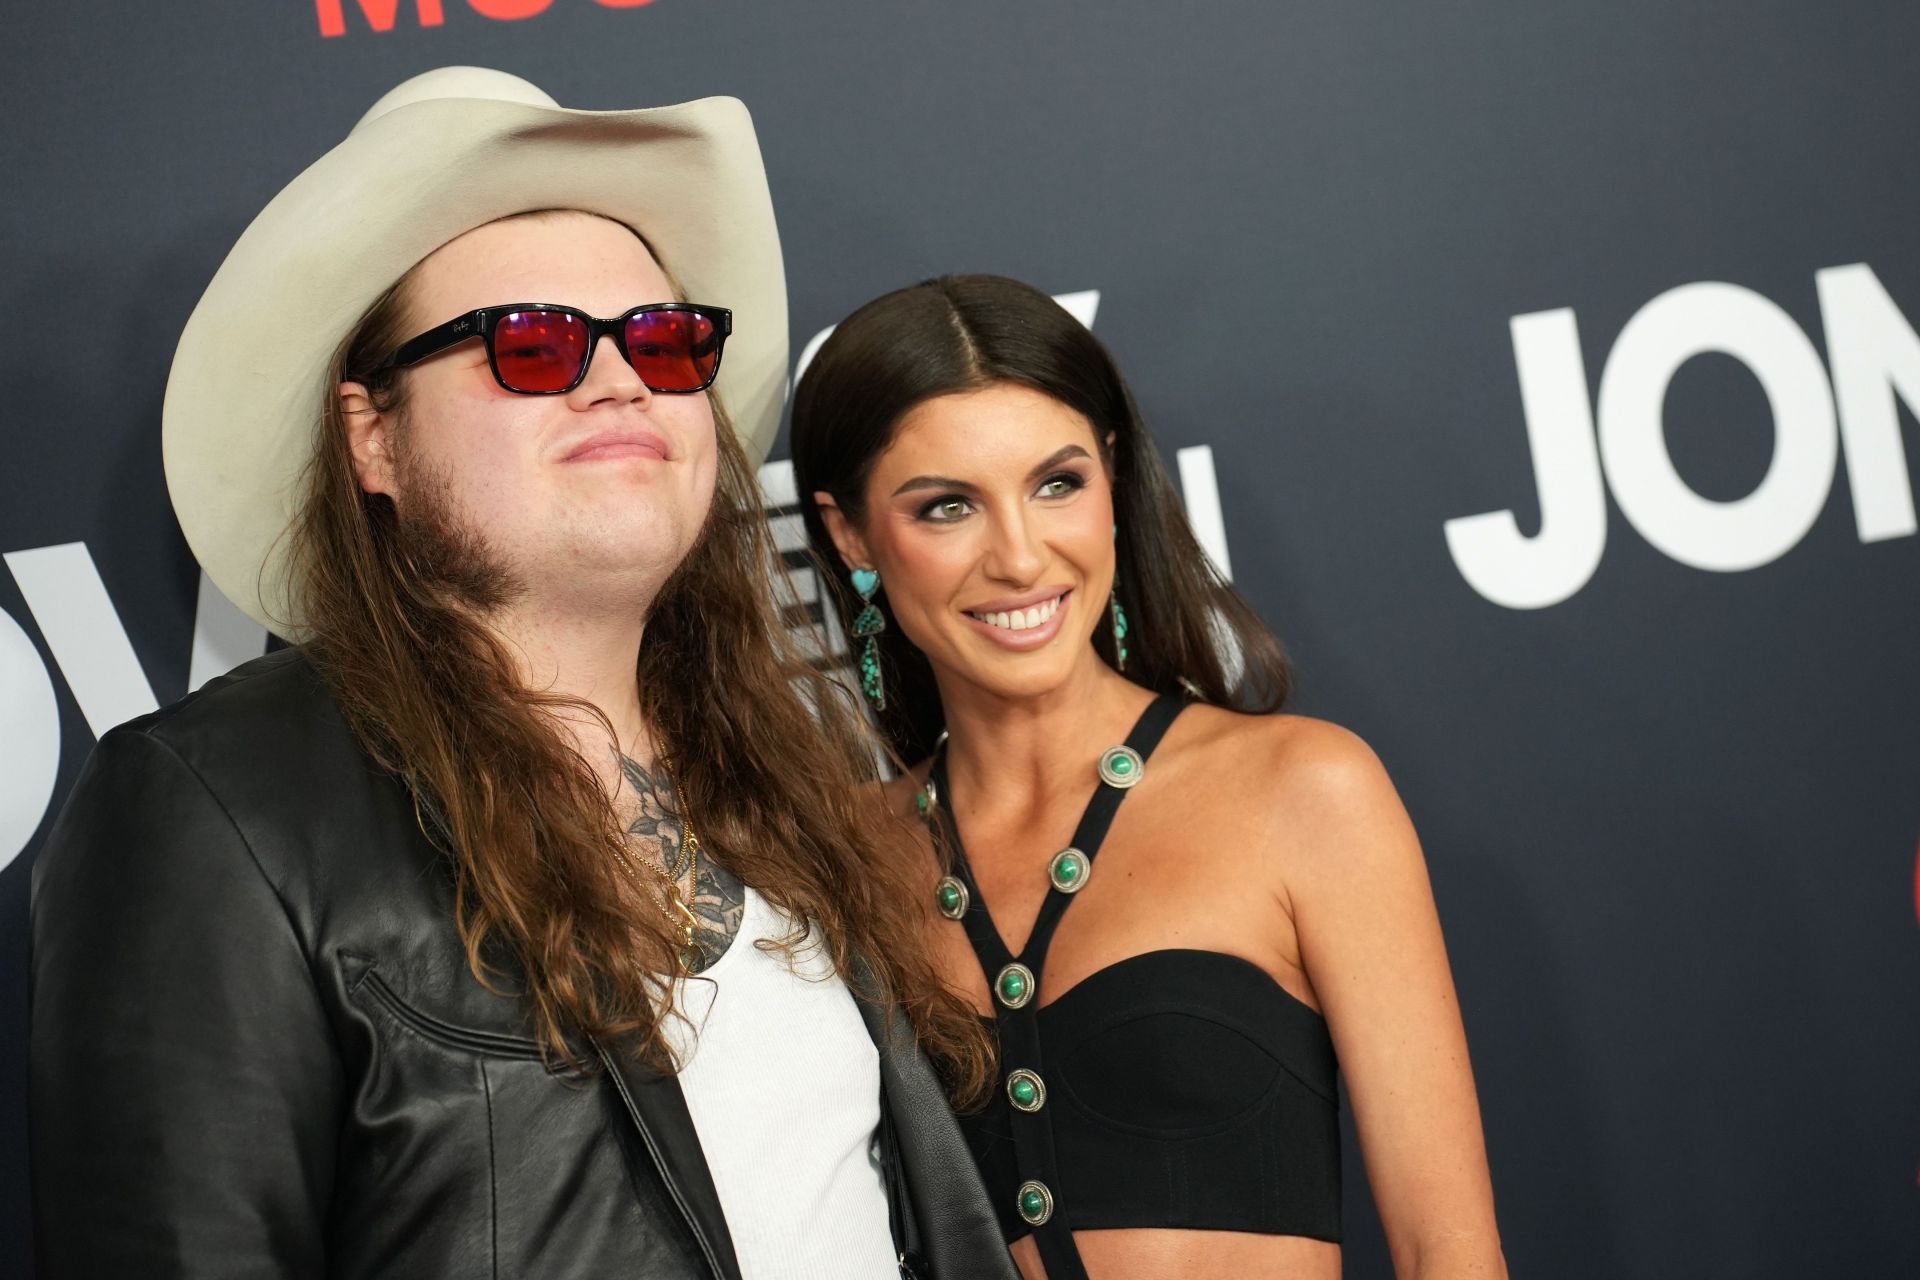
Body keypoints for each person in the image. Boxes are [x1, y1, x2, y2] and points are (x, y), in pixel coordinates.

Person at [30, 69, 1016, 1280]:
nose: (623, 378)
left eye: (663, 340)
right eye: (532, 344)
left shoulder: (781, 762)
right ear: (373, 436)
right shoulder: (212, 808)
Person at [790, 274, 1508, 1280]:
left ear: (1113, 478)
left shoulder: (1303, 790)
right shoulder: (834, 864)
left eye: (1057, 484)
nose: (1020, 557)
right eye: (948, 507)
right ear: (852, 535)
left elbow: (1450, 1251)